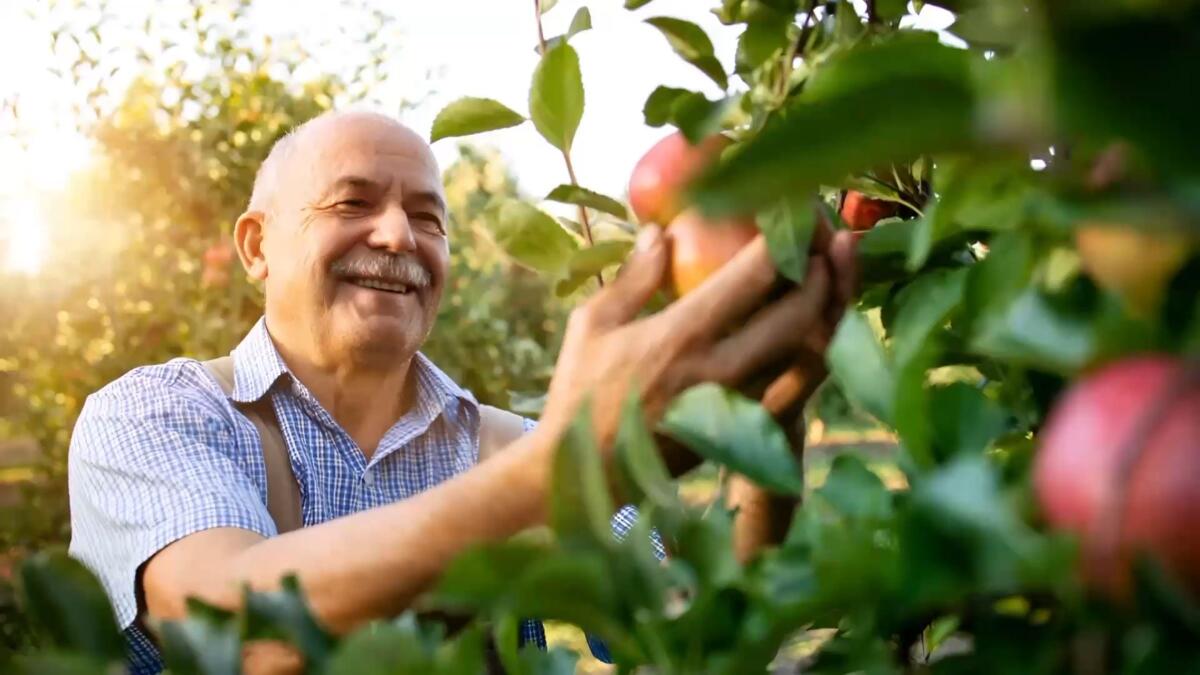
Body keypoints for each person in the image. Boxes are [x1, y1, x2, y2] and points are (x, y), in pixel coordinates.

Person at [67, 110, 856, 674]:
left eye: (427, 217)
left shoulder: (508, 445)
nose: (397, 236)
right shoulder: (155, 417)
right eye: (351, 203)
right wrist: (562, 469)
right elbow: (239, 637)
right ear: (255, 244)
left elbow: (704, 638)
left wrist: (771, 427)